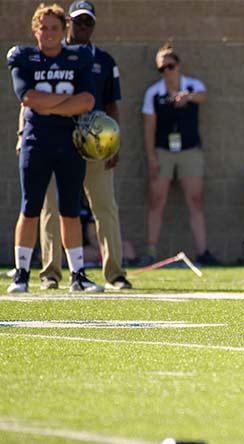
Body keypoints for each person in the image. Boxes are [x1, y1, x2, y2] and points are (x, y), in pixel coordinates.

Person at [6, 2, 102, 293]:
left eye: (54, 28)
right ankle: (22, 273)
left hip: (69, 143)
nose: (49, 33)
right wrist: (64, 106)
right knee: (30, 207)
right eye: (44, 28)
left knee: (70, 210)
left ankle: (77, 275)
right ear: (35, 30)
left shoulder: (79, 58)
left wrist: (50, 107)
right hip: (36, 142)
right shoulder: (24, 57)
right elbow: (29, 98)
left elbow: (87, 102)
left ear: (64, 31)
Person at [38, 0, 132, 290]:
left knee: (105, 206)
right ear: (68, 24)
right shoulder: (53, 56)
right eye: (78, 22)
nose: (83, 28)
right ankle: (51, 273)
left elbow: (112, 104)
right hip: (57, 138)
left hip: (93, 143)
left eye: (88, 23)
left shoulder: (103, 60)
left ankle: (114, 272)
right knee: (51, 207)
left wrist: (113, 144)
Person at [141, 43, 220, 266]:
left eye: (170, 66)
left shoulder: (193, 86)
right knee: (157, 200)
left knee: (195, 200)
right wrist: (151, 158)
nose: (167, 71)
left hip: (189, 150)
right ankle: (151, 250)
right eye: (162, 68)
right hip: (163, 151)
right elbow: (149, 128)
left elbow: (204, 96)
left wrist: (189, 97)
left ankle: (203, 251)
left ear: (179, 66)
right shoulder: (153, 93)